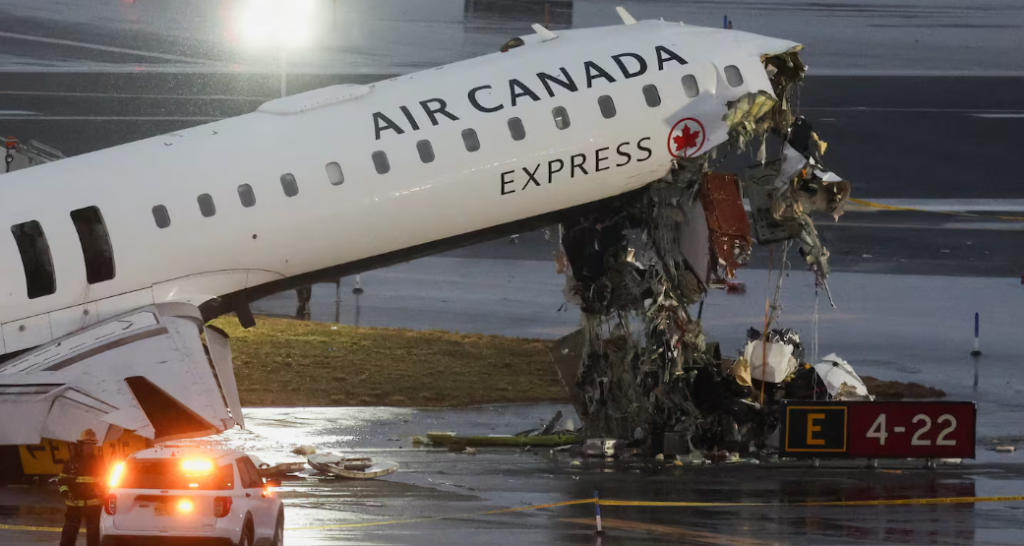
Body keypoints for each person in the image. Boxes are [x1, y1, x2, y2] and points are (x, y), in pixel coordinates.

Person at [58, 429, 106, 546]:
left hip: (94, 506)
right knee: (68, 536)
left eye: (92, 444)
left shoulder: (99, 462)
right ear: (81, 444)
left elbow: (106, 481)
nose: (89, 447)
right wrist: (65, 492)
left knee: (94, 538)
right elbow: (62, 480)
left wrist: (102, 493)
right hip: (74, 505)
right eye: (87, 444)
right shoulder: (71, 462)